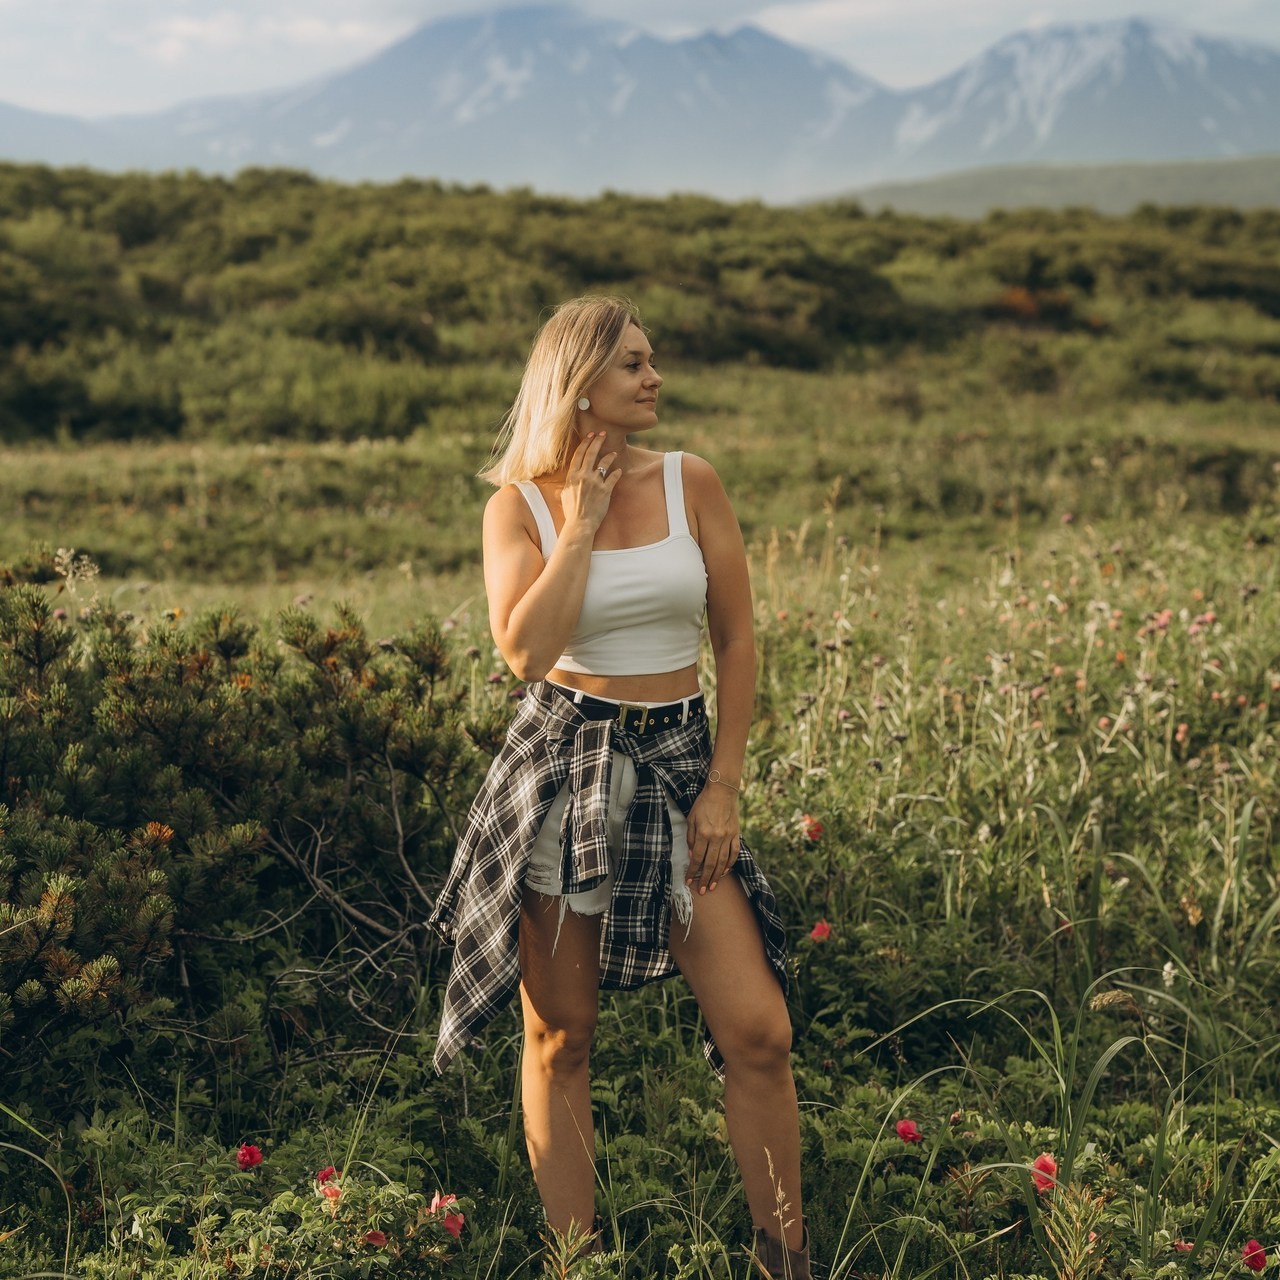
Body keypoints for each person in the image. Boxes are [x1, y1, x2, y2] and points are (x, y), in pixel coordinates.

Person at [429, 296, 810, 1279]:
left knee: (758, 1030)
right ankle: (576, 1261)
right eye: (633, 364)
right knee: (560, 1037)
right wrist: (582, 524)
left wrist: (722, 784)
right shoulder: (516, 505)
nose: (654, 378)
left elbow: (733, 639)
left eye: (651, 361)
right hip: (565, 765)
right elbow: (524, 650)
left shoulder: (692, 481)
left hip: (681, 760)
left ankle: (785, 1258)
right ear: (580, 380)